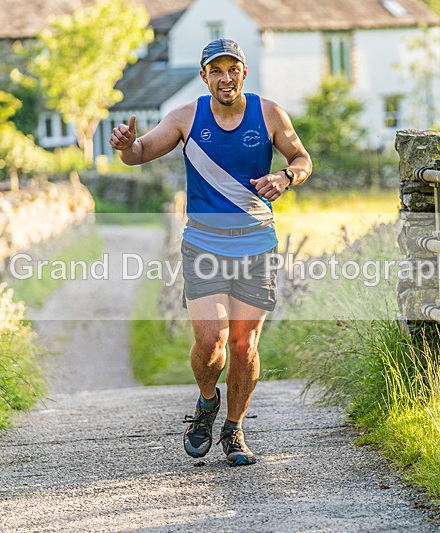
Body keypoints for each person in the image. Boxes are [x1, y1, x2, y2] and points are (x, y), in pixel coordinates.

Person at [109, 38, 312, 467]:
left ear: (244, 72)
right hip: (204, 243)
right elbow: (140, 152)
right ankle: (206, 403)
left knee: (244, 344)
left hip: (257, 242)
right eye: (215, 70)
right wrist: (126, 144)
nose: (225, 77)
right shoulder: (186, 117)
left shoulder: (270, 113)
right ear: (204, 77)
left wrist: (286, 177)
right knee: (210, 340)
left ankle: (234, 428)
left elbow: (301, 157)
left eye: (232, 69)